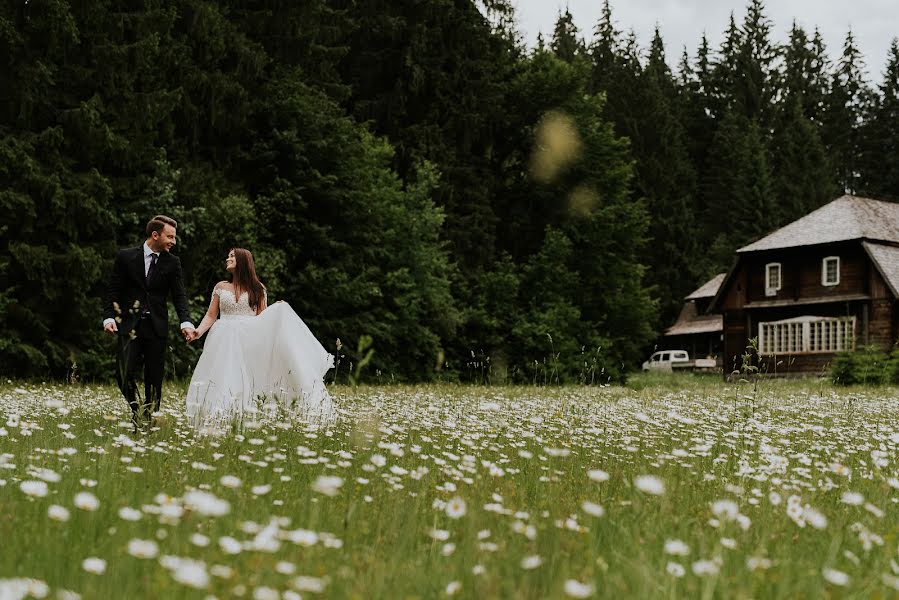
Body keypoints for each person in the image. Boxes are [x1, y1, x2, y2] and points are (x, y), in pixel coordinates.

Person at [185, 248, 334, 431]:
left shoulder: (258, 289)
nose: (227, 259)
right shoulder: (221, 287)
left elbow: (263, 320)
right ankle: (217, 420)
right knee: (221, 376)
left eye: (232, 256)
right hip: (223, 339)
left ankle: (245, 420)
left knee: (246, 378)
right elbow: (210, 315)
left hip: (248, 339)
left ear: (243, 261)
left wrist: (277, 311)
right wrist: (197, 332)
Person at [103, 215, 195, 431]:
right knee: (122, 372)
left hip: (157, 327)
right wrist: (108, 316)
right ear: (155, 235)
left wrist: (186, 322)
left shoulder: (173, 262)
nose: (173, 241)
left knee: (154, 378)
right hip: (129, 326)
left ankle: (149, 421)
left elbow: (179, 295)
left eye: (174, 237)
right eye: (169, 236)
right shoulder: (126, 257)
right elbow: (113, 289)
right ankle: (137, 410)